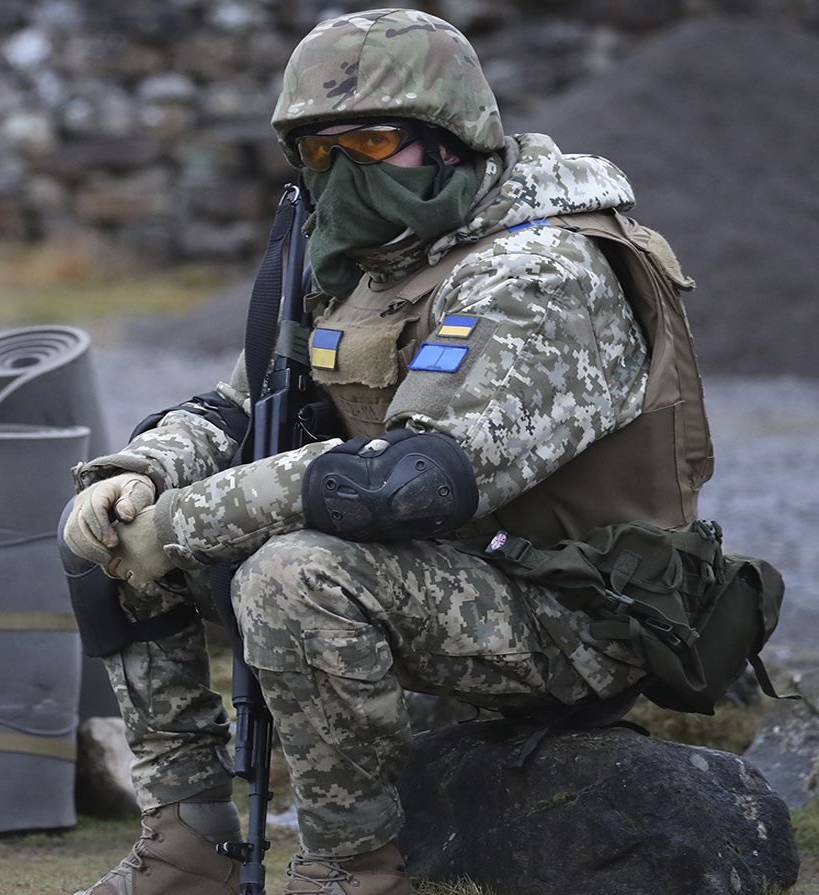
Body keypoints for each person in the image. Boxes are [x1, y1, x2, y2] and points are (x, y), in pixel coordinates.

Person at [61, 8, 702, 894]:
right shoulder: (369, 259)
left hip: (577, 606)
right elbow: (233, 408)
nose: (346, 171)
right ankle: (185, 845)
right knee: (101, 537)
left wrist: (181, 521)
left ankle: (351, 868)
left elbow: (412, 480)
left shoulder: (543, 269)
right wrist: (143, 479)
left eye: (372, 141)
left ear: (452, 138)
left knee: (291, 573)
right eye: (322, 152)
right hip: (440, 576)